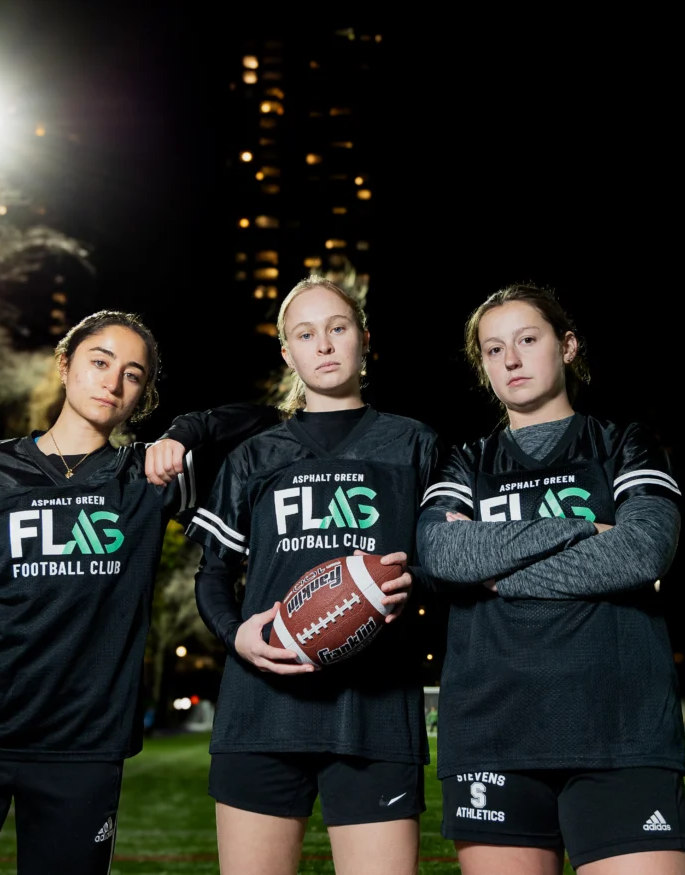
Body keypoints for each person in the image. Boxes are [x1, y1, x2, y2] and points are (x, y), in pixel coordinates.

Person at [0, 310, 276, 875]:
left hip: (80, 750)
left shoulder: (148, 479)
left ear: (143, 395)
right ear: (65, 366)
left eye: (133, 375)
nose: (112, 382)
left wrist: (186, 432)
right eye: (99, 362)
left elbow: (272, 421)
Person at [417, 284, 685, 875]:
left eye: (527, 339)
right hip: (493, 729)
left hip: (621, 728)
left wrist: (493, 569)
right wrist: (584, 529)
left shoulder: (623, 443)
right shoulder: (464, 460)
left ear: (566, 346)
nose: (511, 360)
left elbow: (643, 552)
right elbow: (442, 555)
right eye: (493, 350)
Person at [171, 277, 439, 875]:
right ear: (287, 352)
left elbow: (445, 564)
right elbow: (213, 574)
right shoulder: (255, 455)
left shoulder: (414, 444)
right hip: (262, 707)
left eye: (338, 328)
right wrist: (233, 633)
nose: (324, 344)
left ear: (364, 339)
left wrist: (414, 582)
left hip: (376, 711)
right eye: (305, 333)